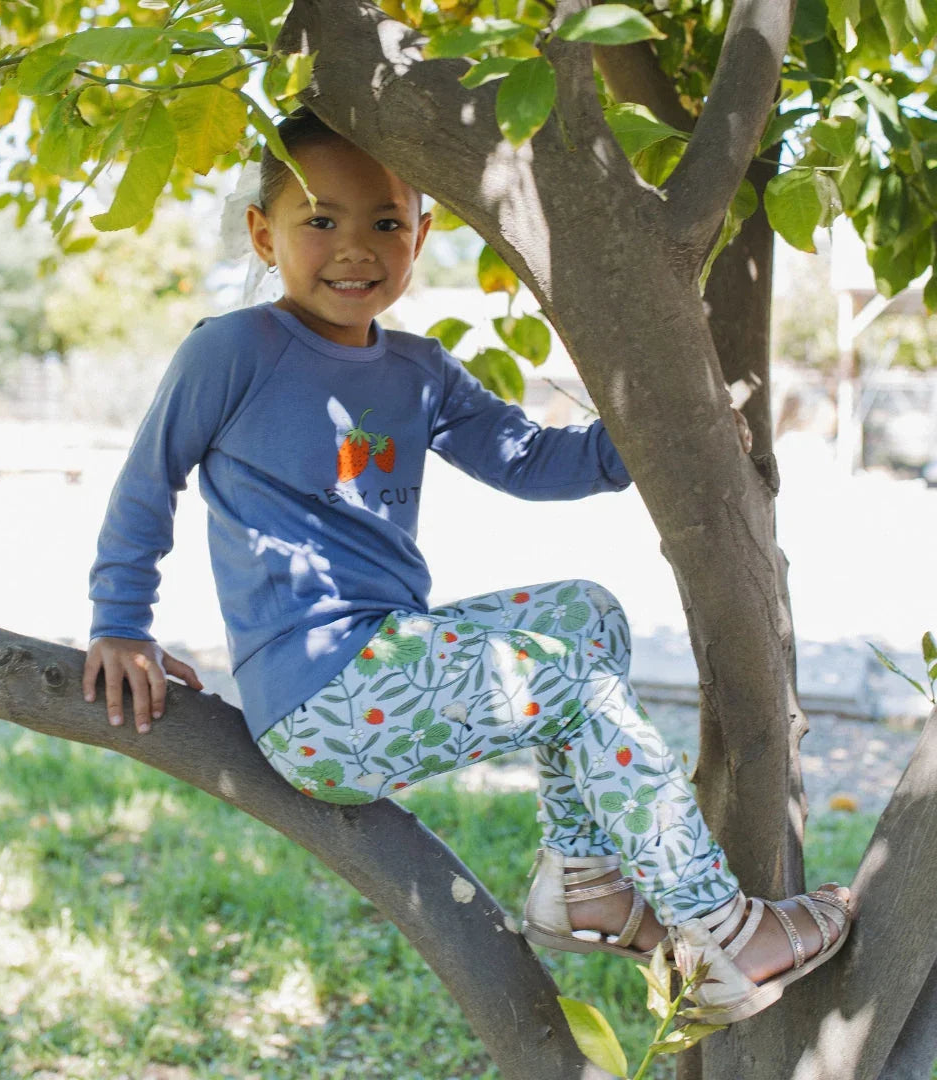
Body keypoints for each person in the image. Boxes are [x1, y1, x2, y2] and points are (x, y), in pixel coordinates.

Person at [81, 108, 850, 1025]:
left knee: (585, 615)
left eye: (385, 223)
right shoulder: (232, 350)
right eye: (320, 220)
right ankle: (724, 928)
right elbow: (146, 484)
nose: (355, 248)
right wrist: (120, 624)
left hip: (389, 658)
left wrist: (660, 436)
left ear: (422, 233)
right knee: (565, 678)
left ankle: (585, 885)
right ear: (263, 231)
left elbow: (525, 458)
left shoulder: (418, 368)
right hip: (319, 699)